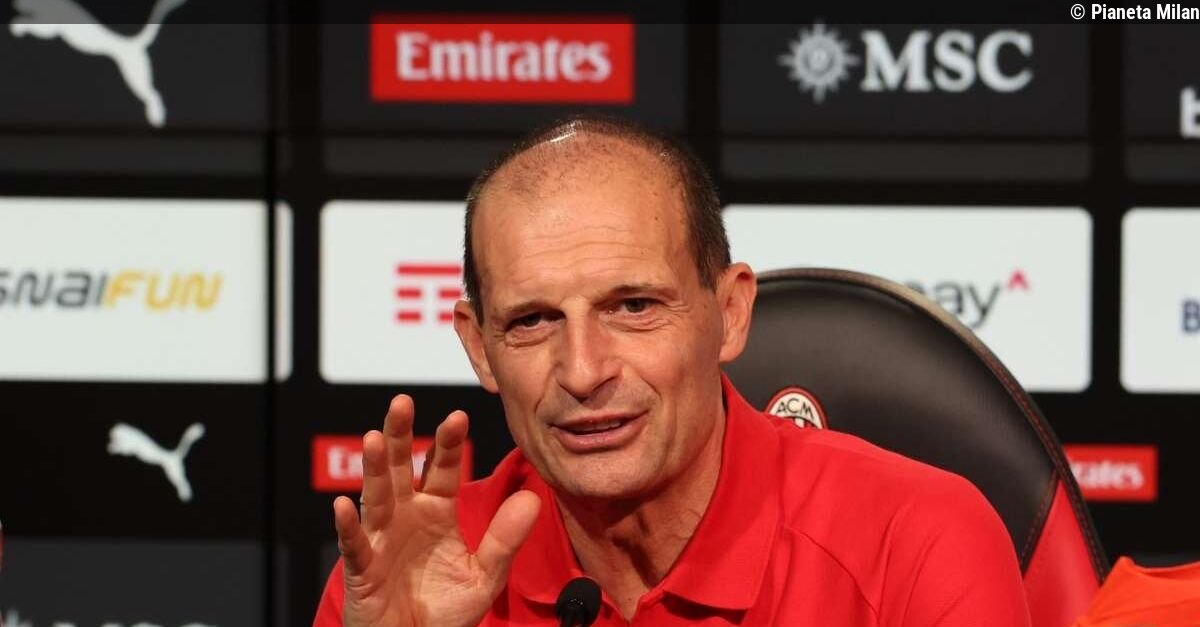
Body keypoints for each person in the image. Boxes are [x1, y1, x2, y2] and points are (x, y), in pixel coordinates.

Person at [313, 114, 1032, 626]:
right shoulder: (414, 574)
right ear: (480, 348)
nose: (583, 371)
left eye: (633, 306)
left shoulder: (916, 542)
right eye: (532, 321)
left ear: (730, 312)